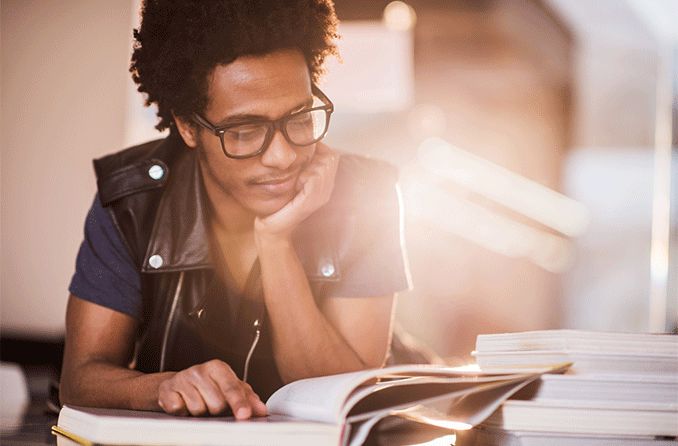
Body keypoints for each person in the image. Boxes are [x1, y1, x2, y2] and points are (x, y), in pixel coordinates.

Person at [60, 0, 410, 419]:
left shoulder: (365, 198)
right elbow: (80, 379)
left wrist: (276, 240)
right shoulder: (131, 203)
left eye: (299, 119)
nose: (282, 157)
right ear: (189, 126)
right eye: (245, 131)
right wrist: (162, 387)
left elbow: (338, 397)